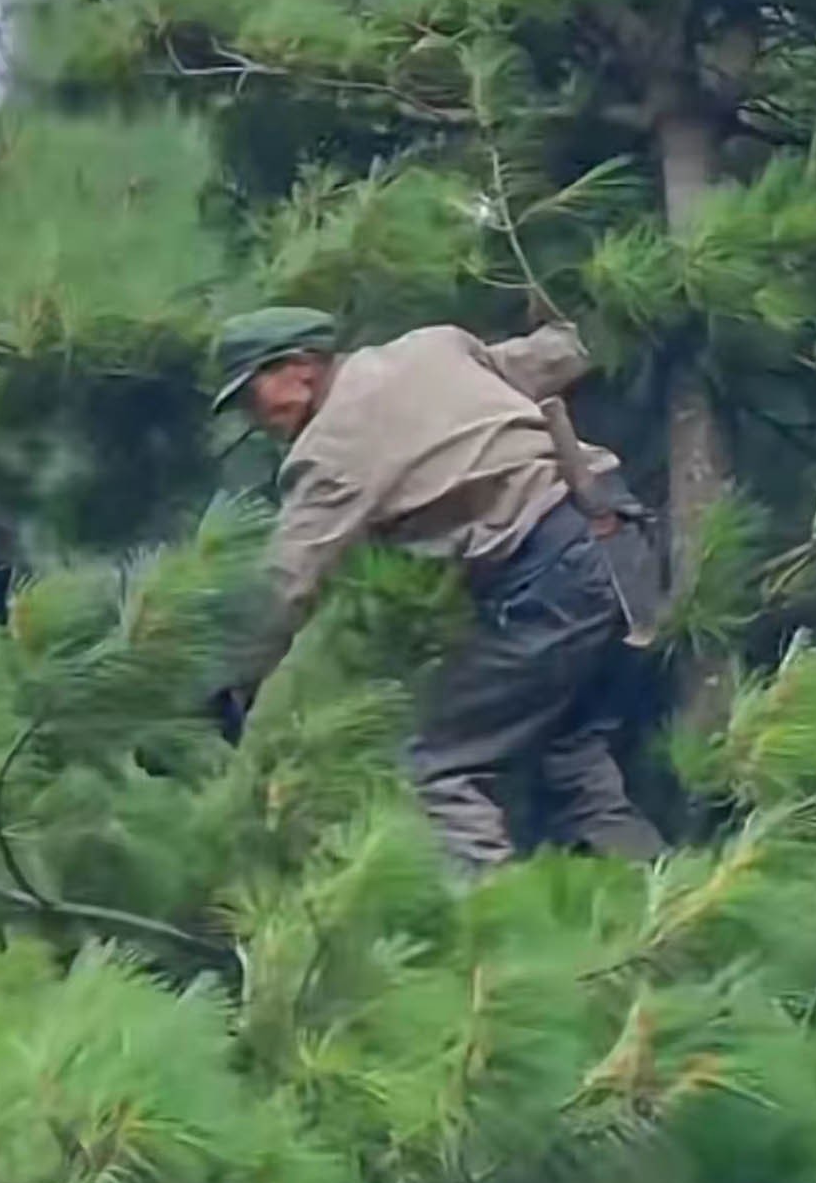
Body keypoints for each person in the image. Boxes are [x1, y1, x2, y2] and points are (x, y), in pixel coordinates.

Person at [205, 305, 668, 879]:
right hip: (623, 544)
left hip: (553, 580)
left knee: (436, 769)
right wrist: (635, 309)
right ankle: (658, 902)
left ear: (299, 367)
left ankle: (493, 939)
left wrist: (223, 683)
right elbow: (560, 354)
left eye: (253, 397)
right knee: (569, 757)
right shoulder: (432, 347)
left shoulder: (332, 448)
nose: (257, 419)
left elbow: (285, 583)